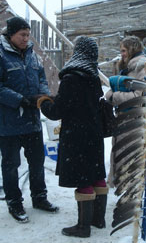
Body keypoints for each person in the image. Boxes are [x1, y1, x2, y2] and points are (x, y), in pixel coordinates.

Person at [0, 16, 58, 223]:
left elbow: (41, 77)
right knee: (11, 165)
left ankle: (39, 198)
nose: (26, 39)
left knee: (37, 162)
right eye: (22, 35)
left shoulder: (32, 55)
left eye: (28, 34)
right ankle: (14, 203)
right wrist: (20, 100)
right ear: (11, 34)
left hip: (32, 120)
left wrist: (43, 96)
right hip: (10, 122)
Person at [38, 36, 107, 238]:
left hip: (76, 136)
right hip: (94, 134)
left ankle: (83, 227)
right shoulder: (93, 77)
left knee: (83, 178)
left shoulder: (71, 77)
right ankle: (98, 219)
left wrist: (43, 103)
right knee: (96, 175)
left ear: (78, 52)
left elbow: (58, 111)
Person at [105, 35, 146, 188]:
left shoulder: (141, 67)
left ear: (132, 49)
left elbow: (139, 95)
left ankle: (131, 192)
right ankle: (125, 190)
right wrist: (110, 94)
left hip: (133, 120)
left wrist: (114, 97)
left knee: (130, 157)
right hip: (124, 118)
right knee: (123, 155)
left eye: (124, 50)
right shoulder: (128, 68)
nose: (121, 53)